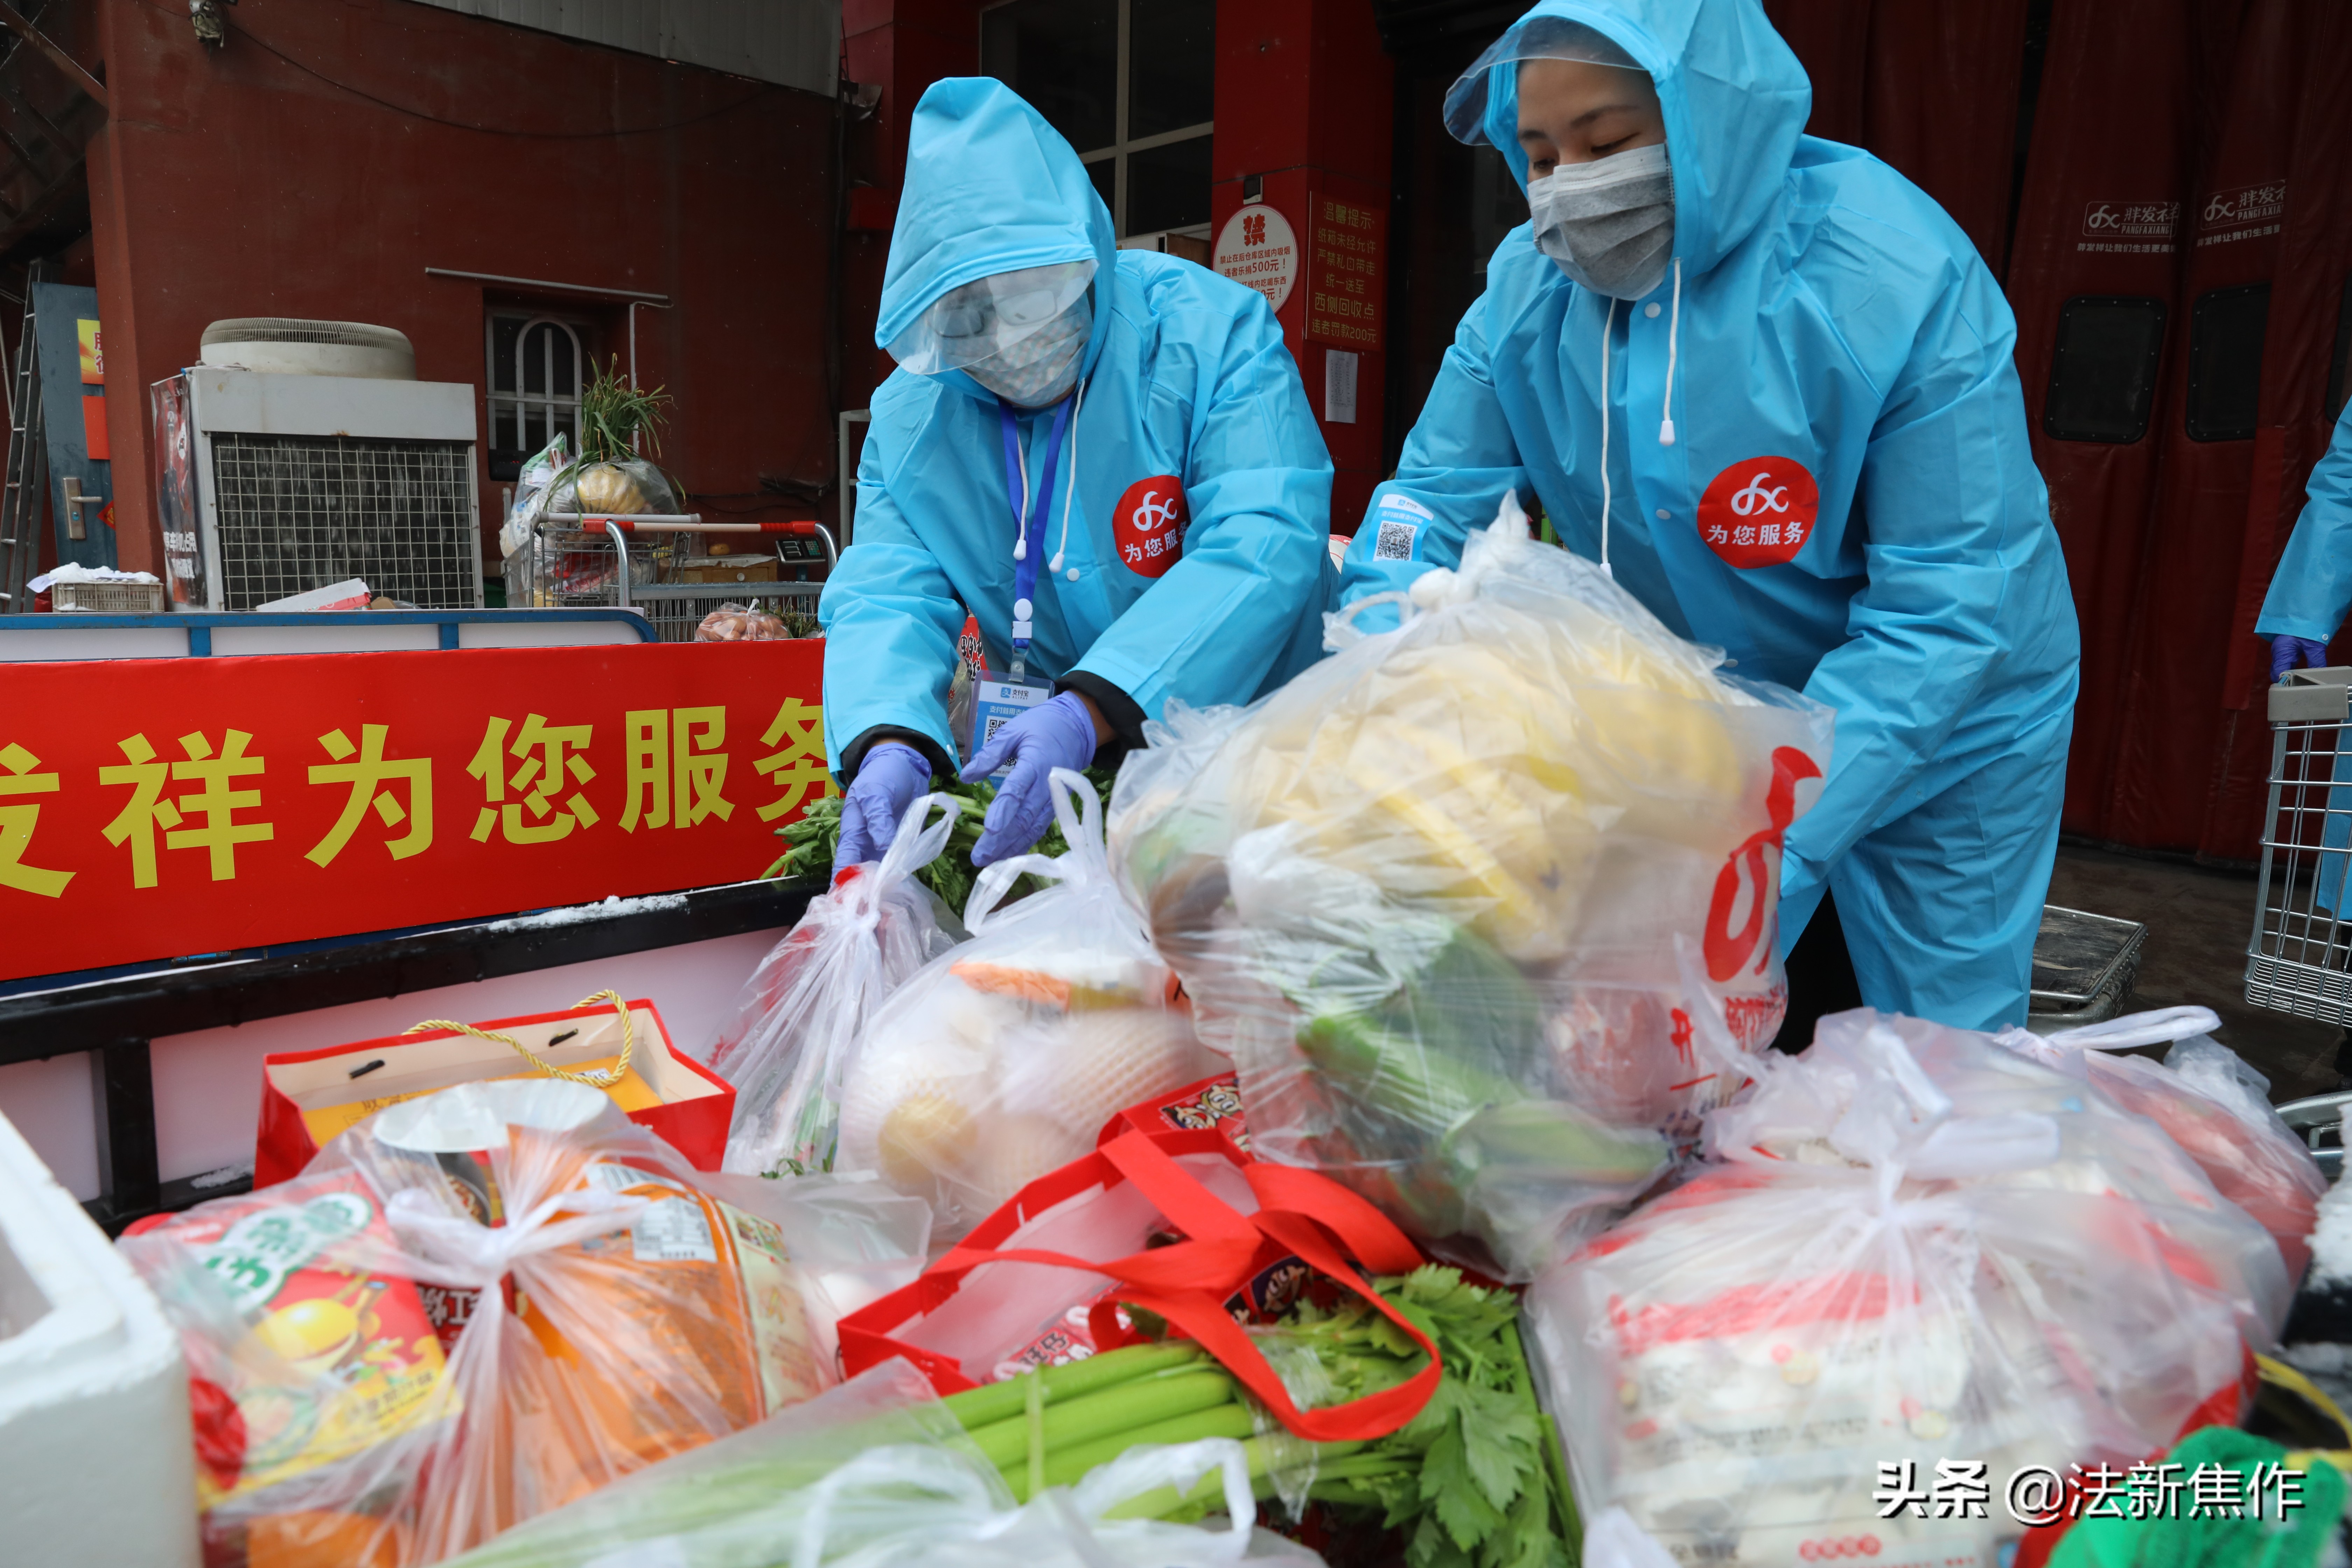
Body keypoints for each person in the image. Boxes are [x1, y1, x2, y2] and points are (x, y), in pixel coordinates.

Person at [1339, 0, 2080, 1034]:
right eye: (1541, 156)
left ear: (1709, 122)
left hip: (1945, 724)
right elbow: (1429, 499)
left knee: (1931, 1061)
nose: (1568, 191)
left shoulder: (1887, 274)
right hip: (1694, 722)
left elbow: (1948, 606)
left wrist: (1771, 828)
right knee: (1675, 1048)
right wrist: (1374, 661)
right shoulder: (1525, 294)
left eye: (1605, 144)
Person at [820, 78, 1336, 876]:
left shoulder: (1208, 335)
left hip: (1274, 757)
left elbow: (1264, 539)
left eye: (1031, 293)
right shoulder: (913, 418)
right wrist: (888, 732)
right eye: (967, 315)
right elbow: (889, 590)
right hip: (1068, 776)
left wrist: (1095, 705)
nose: (1008, 337)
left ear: (1084, 246)